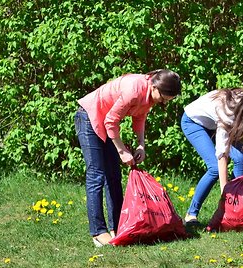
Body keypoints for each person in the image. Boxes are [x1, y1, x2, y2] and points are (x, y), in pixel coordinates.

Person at [75, 69, 182, 246]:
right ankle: (98, 232)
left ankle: (117, 226)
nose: (162, 103)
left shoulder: (149, 95)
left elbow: (139, 118)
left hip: (106, 123)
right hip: (89, 117)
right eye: (162, 99)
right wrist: (122, 150)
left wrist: (141, 144)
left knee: (114, 176)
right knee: (97, 175)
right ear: (155, 86)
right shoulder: (134, 89)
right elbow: (110, 120)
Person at [181, 86, 243, 224]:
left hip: (214, 123)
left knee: (241, 158)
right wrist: (225, 191)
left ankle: (239, 206)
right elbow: (222, 154)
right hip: (194, 122)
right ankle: (191, 214)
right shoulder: (228, 113)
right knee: (214, 168)